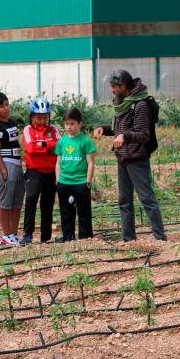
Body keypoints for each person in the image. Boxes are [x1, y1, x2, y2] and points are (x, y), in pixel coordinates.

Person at [93, 70, 166, 242]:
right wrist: (104, 128)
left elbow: (143, 134)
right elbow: (119, 131)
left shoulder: (139, 105)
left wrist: (125, 136)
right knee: (124, 201)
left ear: (123, 86)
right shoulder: (123, 103)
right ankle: (128, 240)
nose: (111, 90)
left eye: (113, 87)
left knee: (147, 199)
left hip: (137, 159)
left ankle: (160, 238)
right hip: (123, 158)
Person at [22, 97, 61, 244]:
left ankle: (46, 236)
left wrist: (43, 144)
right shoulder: (27, 130)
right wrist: (49, 147)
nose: (42, 121)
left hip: (50, 172)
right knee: (31, 199)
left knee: (48, 204)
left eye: (45, 117)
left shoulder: (53, 130)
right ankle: (28, 234)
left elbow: (60, 146)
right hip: (34, 172)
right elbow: (30, 148)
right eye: (39, 118)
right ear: (32, 117)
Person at [0, 92, 24, 247]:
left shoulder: (11, 122)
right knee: (6, 200)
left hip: (16, 163)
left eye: (7, 104)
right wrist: (3, 170)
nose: (6, 108)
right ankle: (6, 235)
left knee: (16, 201)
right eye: (1, 106)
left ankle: (14, 234)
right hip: (5, 163)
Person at [55, 108, 96, 242]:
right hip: (64, 182)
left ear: (80, 124)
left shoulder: (86, 141)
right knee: (66, 213)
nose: (69, 127)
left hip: (80, 182)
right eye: (66, 124)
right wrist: (58, 181)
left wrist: (88, 182)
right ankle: (68, 237)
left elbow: (90, 163)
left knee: (84, 212)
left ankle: (85, 238)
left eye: (72, 123)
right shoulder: (61, 142)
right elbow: (58, 163)